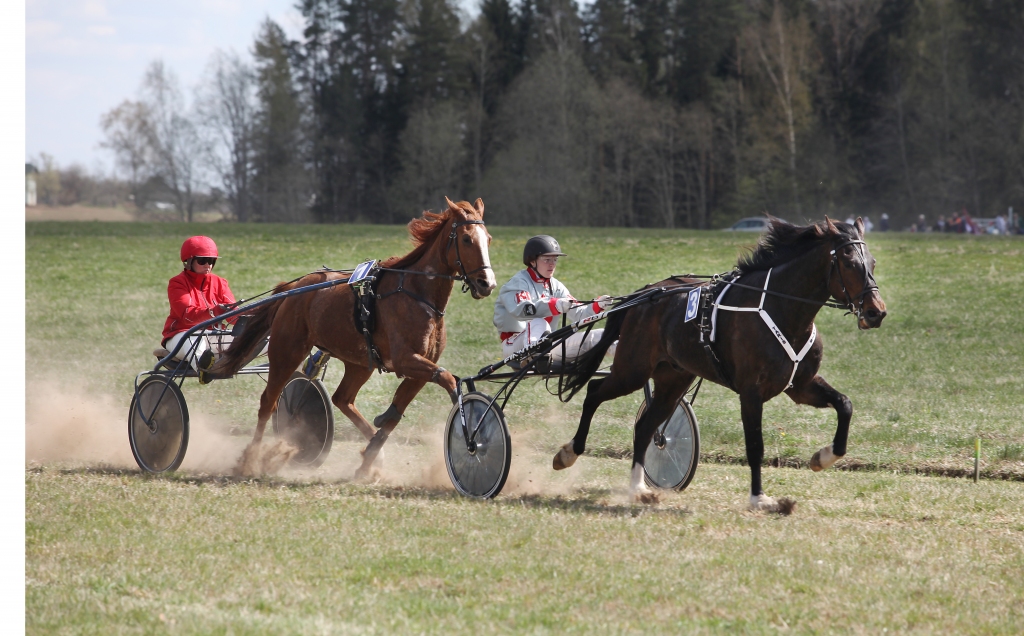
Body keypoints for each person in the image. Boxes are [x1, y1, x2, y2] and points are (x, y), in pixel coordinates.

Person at [493, 235, 615, 366]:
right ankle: (533, 357)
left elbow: (579, 314)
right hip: (516, 346)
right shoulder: (518, 282)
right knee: (539, 323)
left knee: (603, 336)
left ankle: (634, 363)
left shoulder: (556, 286)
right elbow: (522, 310)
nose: (552, 264)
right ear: (532, 261)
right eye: (546, 260)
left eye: (555, 260)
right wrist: (554, 305)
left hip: (549, 346)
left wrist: (598, 306)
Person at [161, 236, 237, 383]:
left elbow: (233, 315)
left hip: (213, 336)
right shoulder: (177, 283)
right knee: (195, 340)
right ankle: (203, 370)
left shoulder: (220, 283)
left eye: (212, 261)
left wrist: (256, 317)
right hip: (182, 336)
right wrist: (213, 312)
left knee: (258, 337)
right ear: (189, 261)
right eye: (202, 261)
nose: (207, 265)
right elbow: (187, 315)